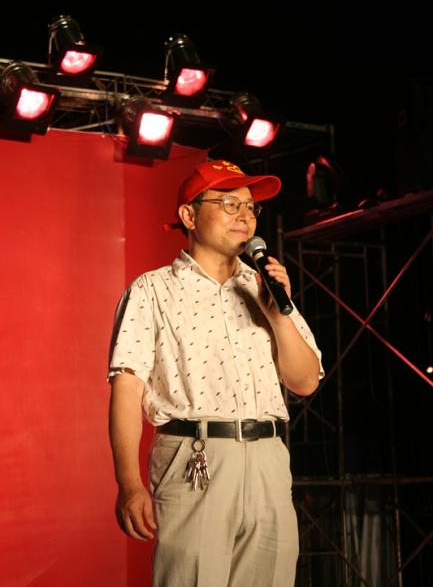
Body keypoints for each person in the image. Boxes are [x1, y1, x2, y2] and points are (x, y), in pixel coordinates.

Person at [108, 158, 324, 587]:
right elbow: (127, 391)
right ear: (189, 216)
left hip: (268, 459)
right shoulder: (152, 290)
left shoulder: (264, 288)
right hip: (196, 457)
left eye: (250, 207)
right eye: (228, 204)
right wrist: (129, 483)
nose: (244, 216)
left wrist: (278, 316)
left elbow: (305, 382)